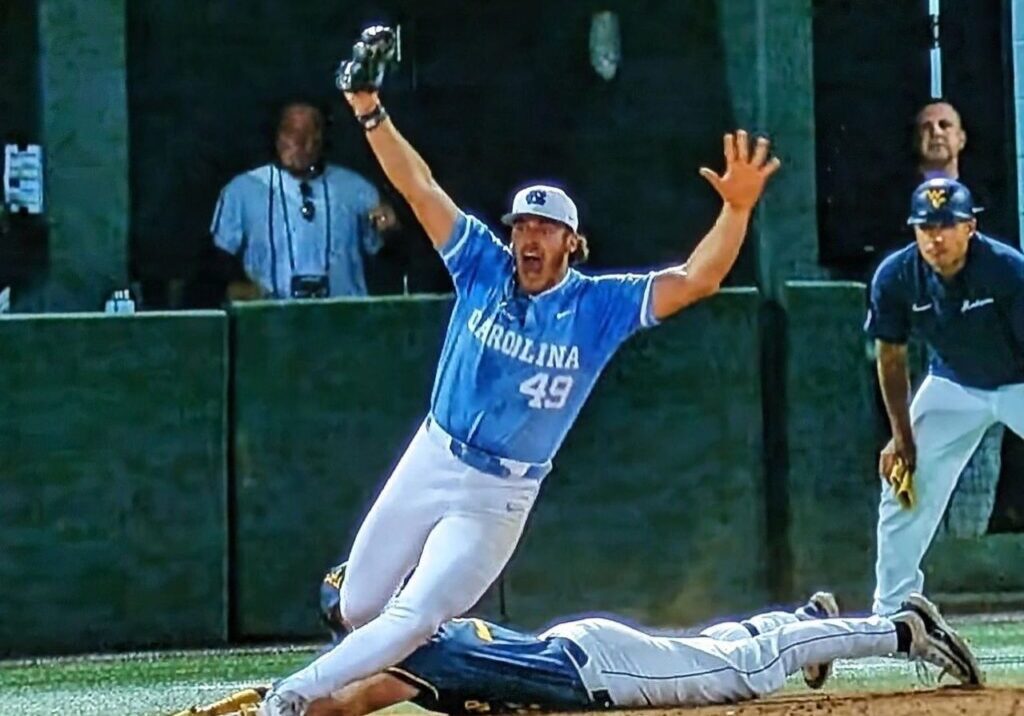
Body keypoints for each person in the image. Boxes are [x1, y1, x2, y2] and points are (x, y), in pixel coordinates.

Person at [257, 26, 782, 715]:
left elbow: (699, 277)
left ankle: (294, 694)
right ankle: (442, 653)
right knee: (358, 605)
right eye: (521, 226)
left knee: (411, 617)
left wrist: (737, 210)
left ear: (572, 240)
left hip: (497, 495)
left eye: (543, 228)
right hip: (433, 456)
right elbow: (419, 188)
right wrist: (368, 110)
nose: (527, 237)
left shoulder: (599, 305)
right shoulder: (482, 265)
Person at [253, 565, 980, 716]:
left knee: (746, 671)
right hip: (579, 654)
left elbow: (348, 703)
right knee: (716, 650)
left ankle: (902, 631)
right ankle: (798, 618)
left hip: (593, 671)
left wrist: (286, 702)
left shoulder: (409, 647)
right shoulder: (414, 629)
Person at [866, 176, 1024, 616]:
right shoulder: (895, 277)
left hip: (1018, 381)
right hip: (953, 383)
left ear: (970, 227)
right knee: (902, 483)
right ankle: (892, 612)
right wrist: (902, 437)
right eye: (925, 226)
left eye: (947, 225)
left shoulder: (1007, 269)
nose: (936, 236)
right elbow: (892, 359)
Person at [210, 101, 397, 300]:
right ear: (276, 136)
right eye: (290, 131)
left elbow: (391, 260)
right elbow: (217, 261)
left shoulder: (357, 189)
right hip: (272, 320)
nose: (299, 141)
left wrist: (391, 232)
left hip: (344, 319)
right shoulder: (242, 190)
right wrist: (236, 287)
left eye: (310, 131)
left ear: (323, 137)